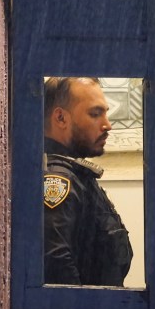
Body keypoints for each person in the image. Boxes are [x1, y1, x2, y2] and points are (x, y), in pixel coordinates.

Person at [42, 77, 133, 286]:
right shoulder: (58, 178)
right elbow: (56, 266)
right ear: (61, 118)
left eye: (105, 113)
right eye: (95, 114)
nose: (107, 125)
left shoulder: (75, 174)